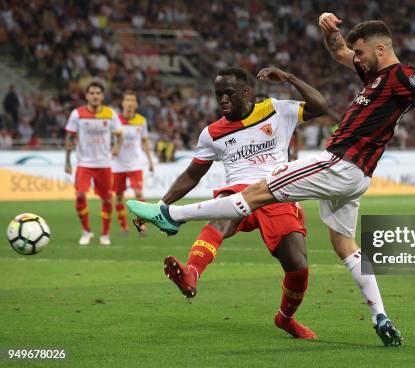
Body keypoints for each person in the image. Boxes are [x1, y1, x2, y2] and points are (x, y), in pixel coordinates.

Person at [127, 15, 415, 346]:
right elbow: (338, 51)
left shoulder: (401, 76)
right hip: (356, 177)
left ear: (380, 49)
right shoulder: (375, 75)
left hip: (340, 163)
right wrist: (329, 30)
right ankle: (380, 316)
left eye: (360, 51)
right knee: (344, 243)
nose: (354, 58)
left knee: (257, 192)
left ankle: (171, 215)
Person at [152, 67, 327, 339]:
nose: (222, 100)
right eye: (218, 94)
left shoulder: (275, 110)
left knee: (298, 267)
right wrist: (160, 206)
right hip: (240, 191)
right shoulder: (211, 133)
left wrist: (291, 78)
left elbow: (320, 106)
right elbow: (192, 175)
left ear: (246, 92)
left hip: (277, 191)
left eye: (228, 94)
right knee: (223, 208)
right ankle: (192, 273)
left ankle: (285, 319)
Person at [65, 81, 123, 246]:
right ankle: (86, 231)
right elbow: (69, 138)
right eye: (92, 93)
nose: (95, 96)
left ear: (102, 96)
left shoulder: (110, 114)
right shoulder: (77, 114)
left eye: (98, 93)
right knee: (80, 195)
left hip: (104, 164)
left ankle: (105, 234)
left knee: (107, 199)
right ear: (86, 96)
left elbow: (119, 135)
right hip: (84, 163)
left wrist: (117, 147)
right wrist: (67, 161)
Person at [111, 90, 154, 234]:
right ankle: (123, 226)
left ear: (136, 104)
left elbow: (145, 141)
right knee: (118, 196)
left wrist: (150, 161)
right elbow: (107, 139)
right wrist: (112, 149)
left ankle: (141, 225)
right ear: (123, 103)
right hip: (118, 165)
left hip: (135, 163)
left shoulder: (141, 121)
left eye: (132, 100)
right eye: (127, 100)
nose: (130, 103)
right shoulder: (115, 120)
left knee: (139, 193)